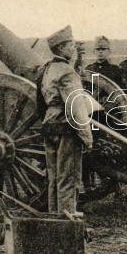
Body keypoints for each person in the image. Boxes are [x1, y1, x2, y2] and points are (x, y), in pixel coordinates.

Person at [36, 25, 95, 215]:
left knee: (53, 177)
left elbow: (40, 103)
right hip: (66, 128)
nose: (73, 47)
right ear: (61, 48)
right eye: (70, 44)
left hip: (50, 125)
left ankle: (55, 218)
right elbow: (76, 107)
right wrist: (87, 136)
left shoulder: (46, 69)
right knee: (68, 177)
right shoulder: (67, 72)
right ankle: (67, 222)